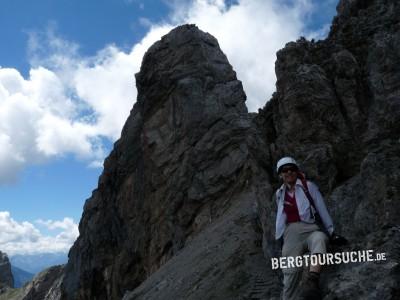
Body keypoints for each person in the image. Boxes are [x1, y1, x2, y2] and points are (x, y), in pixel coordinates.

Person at [275, 157, 344, 300]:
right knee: (290, 272)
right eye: (284, 170)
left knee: (320, 239)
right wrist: (279, 238)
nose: (289, 172)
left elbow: (321, 208)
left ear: (296, 171)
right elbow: (281, 217)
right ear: (280, 174)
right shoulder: (279, 193)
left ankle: (312, 281)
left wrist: (331, 232)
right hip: (290, 233)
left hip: (311, 227)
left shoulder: (309, 186)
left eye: (292, 169)